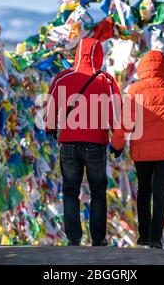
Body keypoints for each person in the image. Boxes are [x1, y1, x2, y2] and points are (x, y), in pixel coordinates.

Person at [110, 50, 164, 249]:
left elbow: (125, 122)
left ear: (143, 67)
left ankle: (143, 236)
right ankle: (156, 238)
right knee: (160, 191)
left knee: (144, 190)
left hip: (143, 150)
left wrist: (117, 144)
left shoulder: (134, 90)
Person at [45, 38, 121, 246]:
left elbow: (51, 106)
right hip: (95, 144)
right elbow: (116, 113)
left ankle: (74, 237)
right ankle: (98, 238)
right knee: (98, 190)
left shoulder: (63, 78)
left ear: (78, 53)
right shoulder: (106, 80)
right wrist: (118, 141)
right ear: (98, 55)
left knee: (70, 190)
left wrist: (51, 128)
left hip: (68, 144)